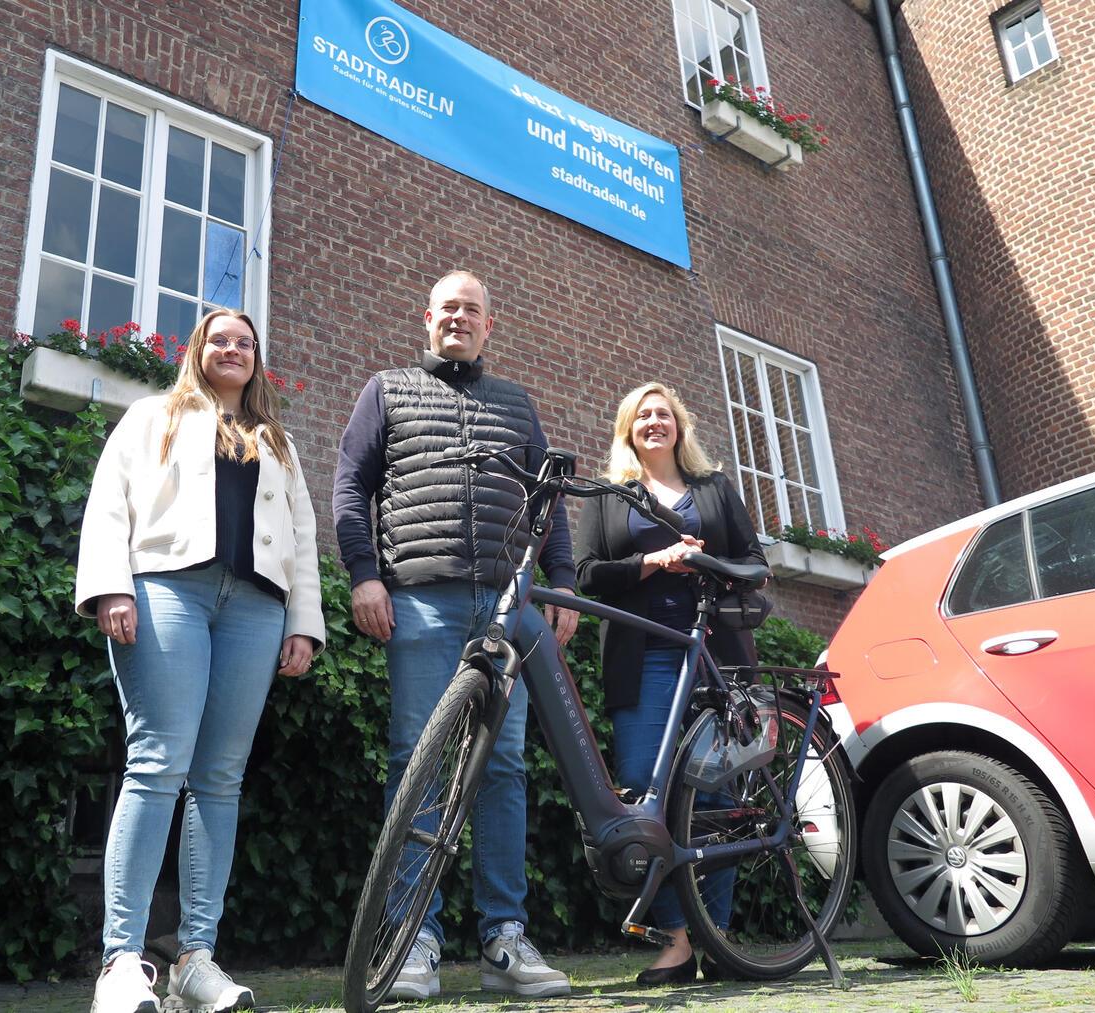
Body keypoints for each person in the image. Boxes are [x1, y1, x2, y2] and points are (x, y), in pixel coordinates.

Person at [333, 270, 579, 1000]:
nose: (459, 319)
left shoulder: (516, 402)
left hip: (506, 602)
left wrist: (558, 579)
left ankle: (505, 938)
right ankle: (414, 941)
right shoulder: (388, 388)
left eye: (472, 310)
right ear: (427, 319)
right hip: (420, 598)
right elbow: (352, 483)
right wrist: (363, 574)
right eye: (449, 309)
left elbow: (548, 499)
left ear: (488, 326)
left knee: (502, 767)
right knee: (419, 760)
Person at [75, 309, 325, 1013]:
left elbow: (301, 535)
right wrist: (109, 586)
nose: (233, 349)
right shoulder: (153, 414)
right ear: (197, 349)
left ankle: (195, 958)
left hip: (256, 606)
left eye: (245, 342)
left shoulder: (277, 440)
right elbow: (110, 501)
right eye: (220, 338)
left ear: (256, 359)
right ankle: (122, 962)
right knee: (158, 761)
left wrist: (303, 622)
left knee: (219, 778)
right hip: (165, 589)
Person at [575, 381, 766, 986]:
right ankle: (677, 941)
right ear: (627, 429)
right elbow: (586, 573)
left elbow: (756, 561)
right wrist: (652, 562)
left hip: (716, 658)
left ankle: (718, 937)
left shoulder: (713, 489)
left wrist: (710, 563)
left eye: (665, 414)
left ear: (680, 426)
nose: (655, 422)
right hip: (644, 657)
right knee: (643, 794)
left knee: (716, 799)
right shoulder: (611, 496)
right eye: (643, 415)